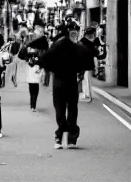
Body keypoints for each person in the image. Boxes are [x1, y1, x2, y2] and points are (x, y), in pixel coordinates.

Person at [39, 21, 95, 149]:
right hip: (71, 81)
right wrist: (80, 71)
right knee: (72, 109)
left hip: (58, 81)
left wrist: (52, 69)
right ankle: (71, 136)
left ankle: (59, 136)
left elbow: (44, 59)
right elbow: (88, 61)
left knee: (59, 109)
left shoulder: (56, 45)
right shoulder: (78, 47)